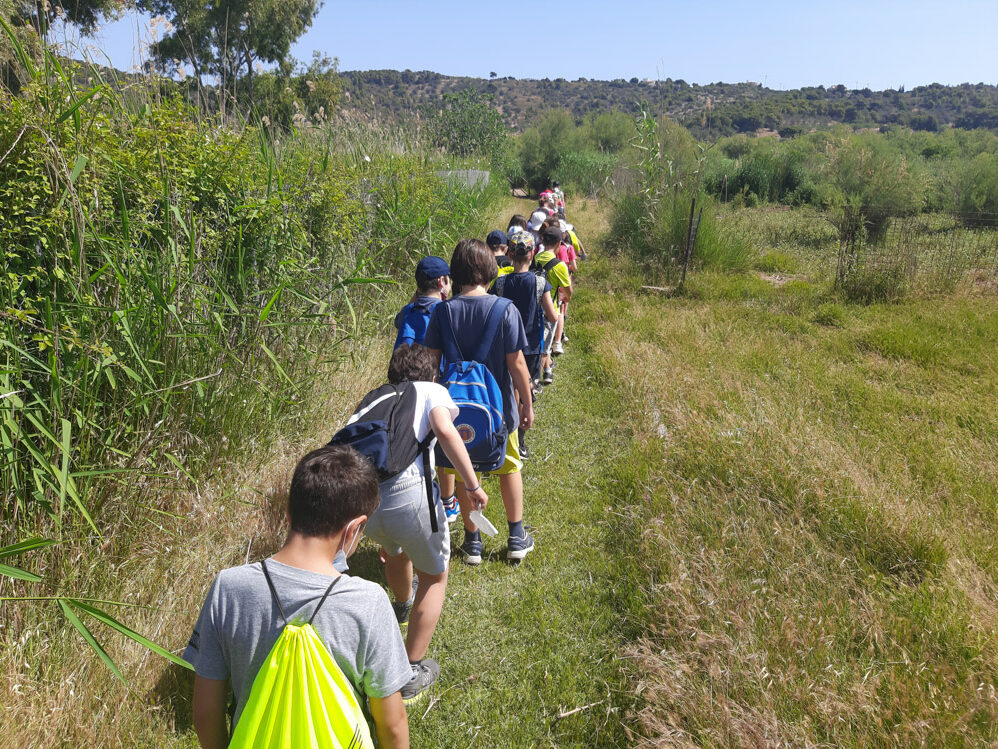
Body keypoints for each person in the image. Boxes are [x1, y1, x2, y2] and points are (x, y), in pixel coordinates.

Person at [184, 445, 411, 749]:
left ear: (289, 510)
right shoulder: (368, 602)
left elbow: (205, 714)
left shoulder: (229, 587)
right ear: (354, 528)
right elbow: (392, 724)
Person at [361, 343, 489, 702]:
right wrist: (472, 484)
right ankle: (410, 670)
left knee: (395, 548)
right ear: (433, 375)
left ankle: (403, 605)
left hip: (363, 497)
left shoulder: (375, 397)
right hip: (408, 491)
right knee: (434, 574)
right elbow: (446, 431)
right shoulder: (432, 389)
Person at [423, 239, 536, 564]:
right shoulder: (505, 310)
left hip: (456, 412)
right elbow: (517, 365)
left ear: (455, 273)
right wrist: (527, 405)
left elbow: (431, 366)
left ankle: (473, 542)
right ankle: (516, 536)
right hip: (500, 409)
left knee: (462, 471)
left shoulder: (442, 312)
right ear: (489, 269)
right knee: (509, 466)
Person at [491, 230, 558, 456]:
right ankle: (519, 442)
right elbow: (553, 316)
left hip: (503, 346)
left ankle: (501, 437)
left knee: (507, 390)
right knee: (524, 390)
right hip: (530, 348)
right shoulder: (540, 283)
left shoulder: (500, 283)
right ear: (531, 255)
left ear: (509, 253)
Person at [533, 226, 573, 382]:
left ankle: (548, 369)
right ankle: (538, 378)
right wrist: (566, 298)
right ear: (559, 244)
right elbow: (568, 290)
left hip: (535, 308)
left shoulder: (535, 258)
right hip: (552, 309)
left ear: (542, 240)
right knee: (545, 347)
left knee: (539, 342)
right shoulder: (560, 265)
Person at [393, 256, 451, 349]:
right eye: (448, 281)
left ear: (419, 287)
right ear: (441, 281)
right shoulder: (447, 312)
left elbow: (397, 323)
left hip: (404, 363)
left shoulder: (407, 311)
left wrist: (418, 292)